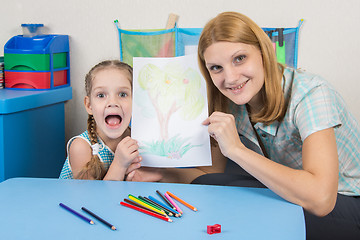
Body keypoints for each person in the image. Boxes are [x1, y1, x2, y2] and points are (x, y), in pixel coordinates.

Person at [195, 11, 360, 239]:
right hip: (291, 192)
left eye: (239, 58)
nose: (230, 78)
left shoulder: (310, 94)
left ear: (266, 53)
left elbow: (322, 200)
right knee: (210, 185)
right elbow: (209, 175)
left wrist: (236, 150)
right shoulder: (230, 99)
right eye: (216, 68)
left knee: (252, 212)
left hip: (346, 201)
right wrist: (158, 173)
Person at [59, 60, 142, 180]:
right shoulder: (81, 147)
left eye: (123, 94)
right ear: (89, 105)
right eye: (101, 95)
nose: (113, 102)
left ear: (136, 102)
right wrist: (119, 165)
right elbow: (93, 197)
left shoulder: (137, 140)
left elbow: (176, 177)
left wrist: (159, 173)